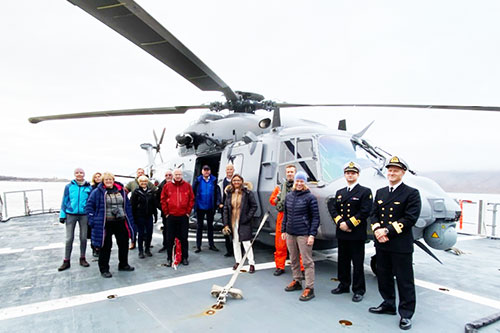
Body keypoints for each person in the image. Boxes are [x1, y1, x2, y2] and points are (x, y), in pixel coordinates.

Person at [368, 156, 421, 331]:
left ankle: (406, 314)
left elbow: (410, 218)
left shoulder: (411, 193)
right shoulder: (381, 192)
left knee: (405, 280)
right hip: (382, 243)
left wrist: (387, 231)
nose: (391, 173)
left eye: (395, 170)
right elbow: (374, 214)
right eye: (389, 170)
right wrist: (377, 230)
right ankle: (388, 304)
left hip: (400, 244)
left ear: (402, 173)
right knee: (384, 276)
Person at [327, 161, 372, 302]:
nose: (350, 175)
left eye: (353, 173)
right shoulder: (340, 193)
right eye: (347, 173)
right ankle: (344, 284)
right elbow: (333, 208)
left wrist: (349, 223)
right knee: (343, 260)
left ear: (357, 175)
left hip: (356, 232)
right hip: (342, 232)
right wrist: (340, 222)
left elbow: (365, 211)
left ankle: (359, 289)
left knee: (357, 262)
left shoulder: (365, 191)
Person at [86, 172, 136, 278]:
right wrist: (92, 220)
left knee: (123, 243)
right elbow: (89, 205)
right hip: (105, 223)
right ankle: (104, 269)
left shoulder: (121, 191)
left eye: (110, 179)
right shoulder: (97, 192)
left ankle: (123, 264)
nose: (109, 181)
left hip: (120, 221)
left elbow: (127, 205)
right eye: (106, 180)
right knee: (105, 246)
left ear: (113, 180)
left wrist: (130, 218)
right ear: (103, 181)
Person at [281, 171, 320, 301]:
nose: (299, 183)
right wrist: (283, 230)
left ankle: (309, 287)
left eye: (301, 181)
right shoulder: (289, 196)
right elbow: (285, 215)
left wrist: (312, 234)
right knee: (293, 259)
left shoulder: (310, 198)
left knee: (307, 261)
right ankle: (297, 280)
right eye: (297, 181)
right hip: (290, 233)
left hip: (304, 233)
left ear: (305, 183)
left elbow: (315, 217)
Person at [269, 164, 303, 276]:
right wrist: (279, 201)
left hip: (296, 217)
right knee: (280, 244)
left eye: (292, 172)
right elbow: (272, 200)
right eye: (288, 172)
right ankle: (280, 266)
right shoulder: (280, 188)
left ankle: (301, 268)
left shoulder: (300, 186)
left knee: (299, 245)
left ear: (295, 173)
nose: (289, 174)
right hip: (283, 216)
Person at [58, 168, 93, 271]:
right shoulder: (69, 187)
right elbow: (64, 200)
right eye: (77, 173)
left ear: (84, 174)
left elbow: (91, 201)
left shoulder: (88, 187)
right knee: (69, 238)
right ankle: (66, 260)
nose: (79, 174)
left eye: (81, 172)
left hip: (84, 215)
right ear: (74, 174)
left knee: (83, 238)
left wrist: (90, 213)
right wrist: (62, 215)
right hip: (70, 214)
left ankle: (82, 258)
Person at [222, 174, 258, 273]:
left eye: (238, 180)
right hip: (233, 221)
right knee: (235, 242)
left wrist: (247, 217)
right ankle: (238, 261)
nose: (236, 182)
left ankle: (251, 263)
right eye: (234, 181)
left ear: (241, 181)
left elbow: (254, 206)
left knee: (246, 243)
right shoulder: (229, 193)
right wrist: (225, 224)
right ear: (232, 182)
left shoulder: (247, 193)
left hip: (244, 221)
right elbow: (225, 208)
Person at [160, 168, 194, 266]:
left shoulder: (187, 186)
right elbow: (163, 200)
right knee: (169, 238)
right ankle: (169, 258)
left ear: (182, 175)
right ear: (173, 176)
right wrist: (166, 213)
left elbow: (191, 199)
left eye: (179, 174)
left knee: (184, 238)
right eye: (176, 175)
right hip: (171, 216)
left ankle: (184, 257)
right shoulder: (167, 186)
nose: (178, 176)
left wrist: (188, 212)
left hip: (183, 216)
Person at [192, 165, 222, 253]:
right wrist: (194, 204)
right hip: (200, 207)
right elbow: (192, 192)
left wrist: (217, 203)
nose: (206, 172)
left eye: (208, 170)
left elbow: (217, 193)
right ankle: (198, 246)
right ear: (202, 171)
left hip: (210, 207)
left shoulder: (213, 180)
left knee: (210, 227)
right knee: (199, 227)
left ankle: (211, 244)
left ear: (210, 171)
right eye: (204, 170)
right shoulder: (197, 181)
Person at [126, 168, 156, 250]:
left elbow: (156, 191)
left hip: (148, 214)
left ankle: (146, 246)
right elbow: (125, 191)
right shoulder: (132, 184)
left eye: (142, 172)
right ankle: (134, 244)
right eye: (139, 172)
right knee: (136, 230)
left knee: (147, 232)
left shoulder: (149, 185)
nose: (140, 174)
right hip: (138, 213)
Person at [131, 175, 157, 259]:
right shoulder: (136, 192)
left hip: (149, 216)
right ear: (139, 182)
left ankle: (147, 249)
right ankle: (140, 251)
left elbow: (154, 204)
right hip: (140, 216)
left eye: (145, 181)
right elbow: (132, 205)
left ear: (147, 182)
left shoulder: (150, 192)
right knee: (141, 234)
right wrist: (134, 217)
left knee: (149, 233)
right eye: (141, 182)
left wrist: (155, 215)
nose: (143, 183)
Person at [157, 170, 174, 253]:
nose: (168, 176)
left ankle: (174, 245)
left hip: (176, 212)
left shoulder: (177, 185)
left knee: (175, 229)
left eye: (170, 175)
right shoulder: (161, 186)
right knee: (166, 229)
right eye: (166, 175)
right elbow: (157, 200)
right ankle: (165, 245)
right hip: (166, 213)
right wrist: (163, 209)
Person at [220, 164, 234, 257]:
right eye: (228, 169)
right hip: (225, 208)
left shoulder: (236, 180)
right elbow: (219, 193)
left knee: (236, 230)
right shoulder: (222, 182)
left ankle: (237, 249)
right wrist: (220, 203)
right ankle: (229, 250)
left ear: (233, 170)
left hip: (235, 209)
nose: (229, 171)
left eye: (231, 169)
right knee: (226, 229)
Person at [89, 172, 102, 257]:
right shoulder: (91, 188)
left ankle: (102, 247)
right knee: (93, 232)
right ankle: (94, 248)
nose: (98, 178)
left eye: (99, 177)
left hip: (102, 212)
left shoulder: (104, 188)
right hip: (95, 212)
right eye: (96, 177)